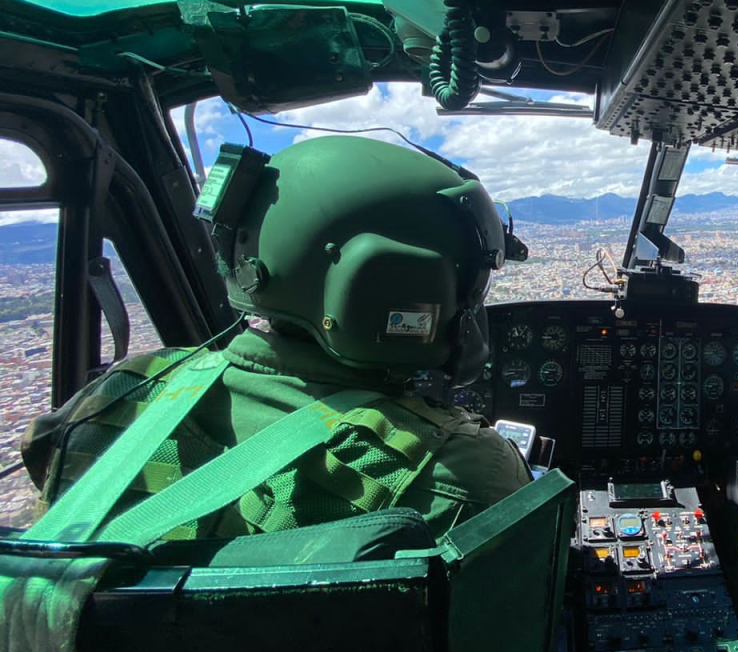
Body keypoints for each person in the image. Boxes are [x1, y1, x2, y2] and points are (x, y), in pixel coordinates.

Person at [20, 135, 532, 542]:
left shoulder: (120, 396)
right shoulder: (464, 472)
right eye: (469, 284)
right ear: (393, 286)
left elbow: (41, 458)